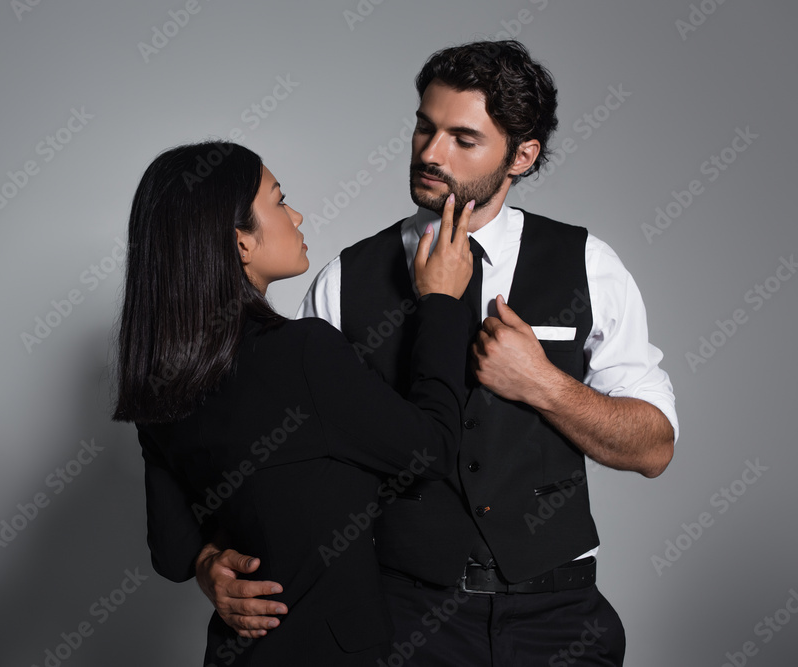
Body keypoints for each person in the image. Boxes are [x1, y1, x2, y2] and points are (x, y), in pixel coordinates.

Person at [196, 41, 679, 666]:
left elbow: (654, 450)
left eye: (463, 139)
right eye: (425, 127)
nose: (430, 152)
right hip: (404, 620)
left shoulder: (588, 266)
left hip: (559, 620)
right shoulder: (348, 279)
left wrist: (543, 384)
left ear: (522, 156)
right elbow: (275, 459)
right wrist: (207, 558)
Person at [112, 140, 483, 665]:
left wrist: (208, 563)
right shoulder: (302, 353)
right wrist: (442, 305)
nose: (298, 214)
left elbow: (173, 554)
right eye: (280, 201)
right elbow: (435, 450)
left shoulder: (159, 380)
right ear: (241, 242)